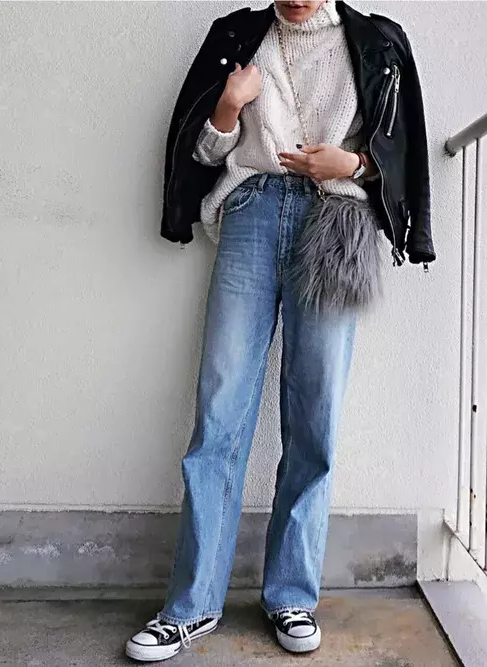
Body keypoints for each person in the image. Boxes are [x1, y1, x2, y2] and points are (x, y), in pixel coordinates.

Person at [126, 0, 435, 662]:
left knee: (315, 415)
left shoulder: (377, 42)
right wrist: (229, 105)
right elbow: (204, 151)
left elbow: (405, 150)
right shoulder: (238, 35)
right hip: (251, 211)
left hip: (336, 225)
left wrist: (352, 166)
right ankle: (191, 605)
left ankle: (292, 594)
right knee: (220, 410)